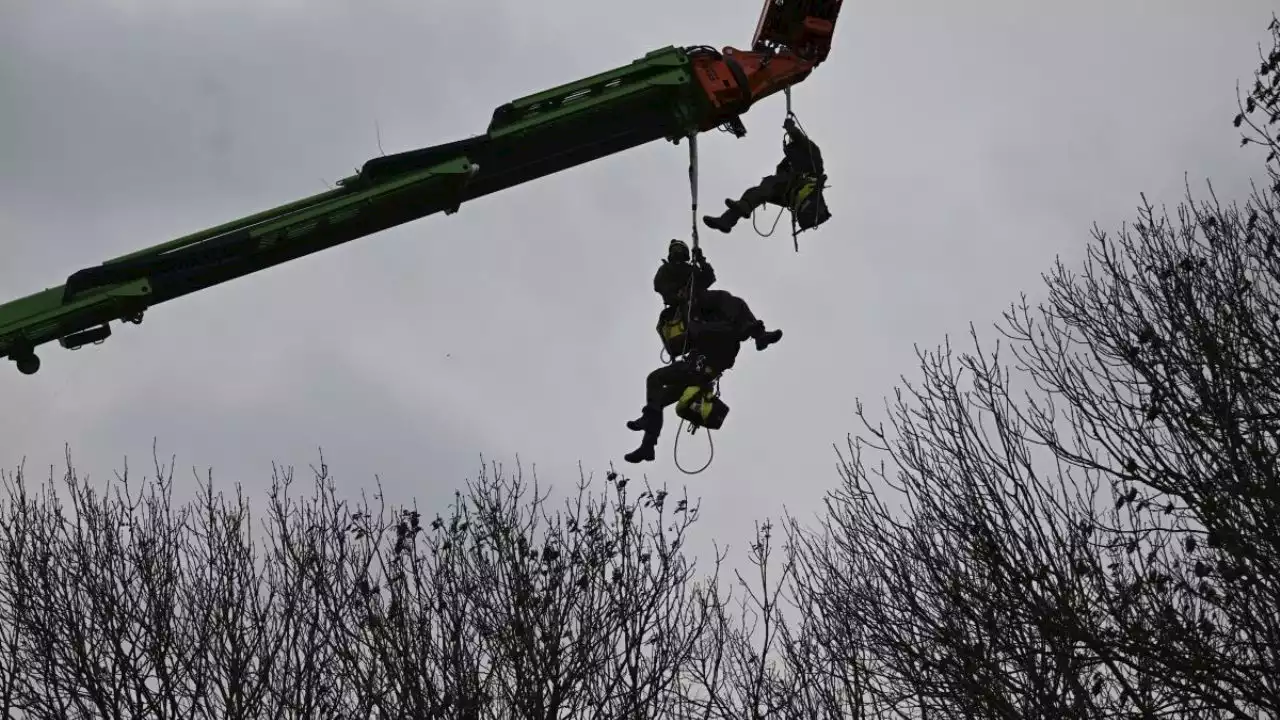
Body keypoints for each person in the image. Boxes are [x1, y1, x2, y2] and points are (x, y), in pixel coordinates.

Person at [623, 285, 782, 464]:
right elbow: (677, 345)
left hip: (701, 366)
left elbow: (728, 307)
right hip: (697, 370)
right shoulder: (686, 315)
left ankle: (759, 335)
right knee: (657, 396)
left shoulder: (711, 310)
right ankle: (648, 445)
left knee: (655, 379)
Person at [701, 116, 831, 235]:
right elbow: (780, 172)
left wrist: (791, 129)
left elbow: (800, 139)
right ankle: (726, 221)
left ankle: (743, 208)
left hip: (801, 187)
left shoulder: (812, 154)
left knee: (769, 183)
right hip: (789, 193)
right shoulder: (789, 163)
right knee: (755, 192)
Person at [653, 239, 715, 306]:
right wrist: (677, 290)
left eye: (679, 248)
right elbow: (658, 284)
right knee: (665, 315)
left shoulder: (691, 269)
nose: (677, 251)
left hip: (697, 301)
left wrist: (701, 260)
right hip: (675, 305)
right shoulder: (666, 268)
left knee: (723, 297)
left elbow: (709, 278)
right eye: (674, 249)